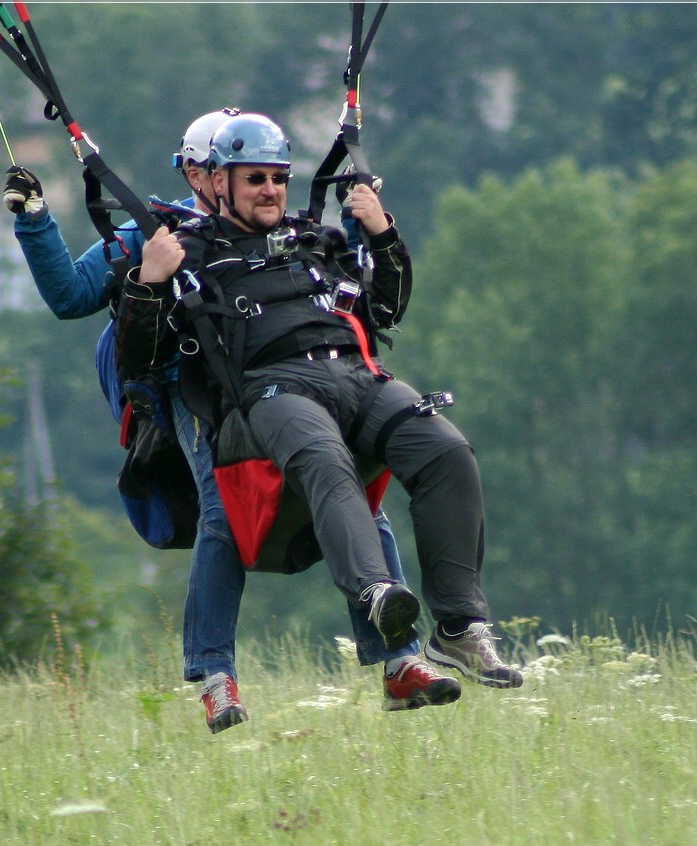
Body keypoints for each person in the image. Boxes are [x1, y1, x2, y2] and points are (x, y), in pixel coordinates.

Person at [4, 110, 432, 732]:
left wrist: (371, 232)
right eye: (227, 171)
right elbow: (71, 296)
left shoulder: (273, 219)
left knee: (360, 501)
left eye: (268, 175)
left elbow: (345, 286)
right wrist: (35, 221)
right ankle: (213, 676)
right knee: (223, 511)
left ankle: (399, 664)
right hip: (194, 388)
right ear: (200, 175)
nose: (257, 186)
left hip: (279, 378)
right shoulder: (156, 229)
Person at [118, 112, 524, 712]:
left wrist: (383, 235)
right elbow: (139, 359)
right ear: (219, 184)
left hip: (355, 377)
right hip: (272, 394)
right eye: (254, 178)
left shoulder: (316, 238)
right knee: (325, 458)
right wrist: (148, 285)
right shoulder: (189, 253)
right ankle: (378, 595)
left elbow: (384, 310)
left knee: (446, 450)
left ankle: (458, 625)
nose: (270, 190)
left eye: (278, 178)